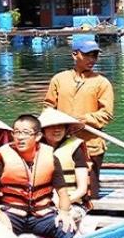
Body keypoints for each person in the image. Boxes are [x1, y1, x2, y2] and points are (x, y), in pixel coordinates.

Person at [0, 114, 76, 238]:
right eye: (16, 132)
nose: (20, 137)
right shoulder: (4, 158)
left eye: (26, 133)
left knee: (66, 229)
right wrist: (1, 216)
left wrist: (64, 213)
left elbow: (63, 194)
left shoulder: (50, 158)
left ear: (37, 136)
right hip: (12, 215)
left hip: (42, 216)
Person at [43, 39, 113, 199]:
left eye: (94, 56)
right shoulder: (59, 79)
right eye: (88, 55)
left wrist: (83, 119)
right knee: (57, 181)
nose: (92, 60)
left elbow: (106, 114)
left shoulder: (102, 83)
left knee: (90, 190)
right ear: (75, 55)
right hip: (60, 142)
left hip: (90, 143)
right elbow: (48, 108)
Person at [38, 108, 91, 224]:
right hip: (41, 203)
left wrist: (63, 203)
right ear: (43, 130)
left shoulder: (75, 148)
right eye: (52, 126)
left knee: (57, 221)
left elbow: (82, 189)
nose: (57, 130)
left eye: (60, 126)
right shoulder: (35, 149)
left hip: (73, 202)